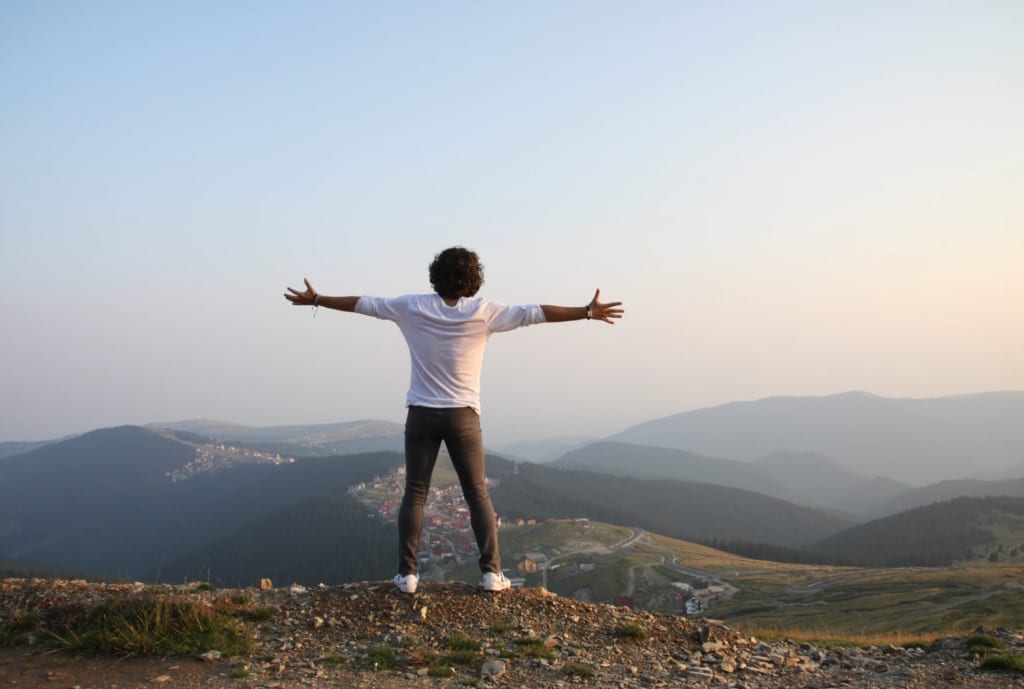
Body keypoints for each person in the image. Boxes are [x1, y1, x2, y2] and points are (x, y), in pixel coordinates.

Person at [284, 247, 623, 593]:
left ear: (435, 274)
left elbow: (363, 304)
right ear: (474, 279)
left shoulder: (411, 306)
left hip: (421, 415)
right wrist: (586, 312)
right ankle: (492, 574)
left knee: (415, 493)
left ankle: (407, 575)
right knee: (477, 494)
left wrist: (317, 300)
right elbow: (536, 313)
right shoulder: (485, 312)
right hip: (463, 416)